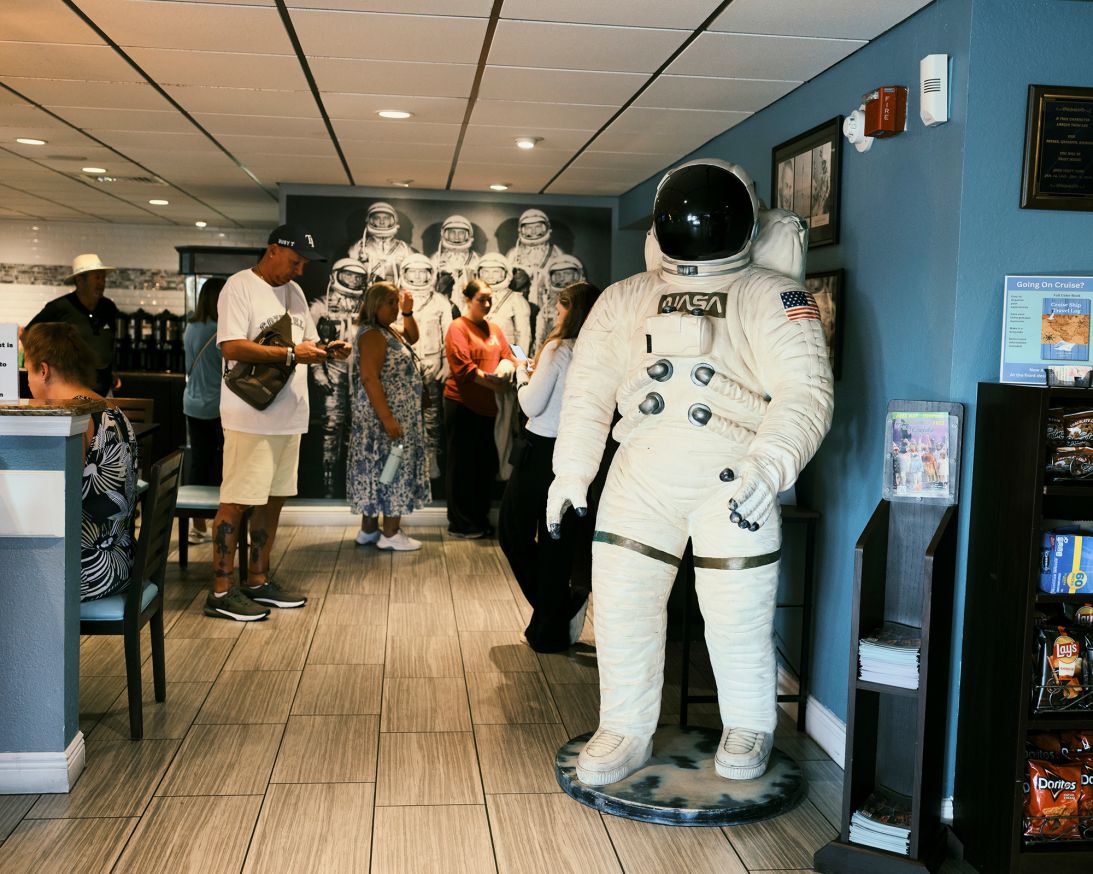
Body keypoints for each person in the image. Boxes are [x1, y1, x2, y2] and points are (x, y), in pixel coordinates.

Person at [547, 159, 833, 786]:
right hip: (640, 477)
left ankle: (750, 725)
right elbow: (588, 392)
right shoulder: (627, 298)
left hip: (734, 480)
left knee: (737, 616)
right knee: (623, 607)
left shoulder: (775, 296)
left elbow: (805, 393)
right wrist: (570, 472)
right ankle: (623, 726)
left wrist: (771, 464)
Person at [206, 224, 351, 622]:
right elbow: (231, 346)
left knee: (273, 501)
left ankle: (257, 580)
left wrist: (324, 351)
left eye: (303, 264)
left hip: (289, 415)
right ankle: (220, 590)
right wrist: (292, 355)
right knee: (236, 501)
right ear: (273, 251)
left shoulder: (294, 292)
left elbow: (298, 347)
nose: (300, 270)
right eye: (295, 261)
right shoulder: (239, 287)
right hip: (249, 415)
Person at [499, 281, 601, 652]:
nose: (556, 315)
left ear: (569, 310)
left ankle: (555, 611)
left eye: (560, 310)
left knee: (512, 532)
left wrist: (523, 373)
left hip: (541, 450)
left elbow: (531, 405)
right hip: (579, 451)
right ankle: (549, 627)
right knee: (557, 540)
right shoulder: (601, 352)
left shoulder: (557, 349)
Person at [23, 323, 139, 601]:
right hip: (122, 559)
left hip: (90, 571)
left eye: (27, 371)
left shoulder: (72, 418)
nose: (27, 382)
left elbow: (53, 496)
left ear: (43, 370)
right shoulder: (111, 409)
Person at [347, 282, 430, 551]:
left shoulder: (386, 330)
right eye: (391, 303)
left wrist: (407, 313)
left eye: (397, 302)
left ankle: (369, 530)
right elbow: (370, 378)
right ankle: (391, 534)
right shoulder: (372, 334)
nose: (395, 308)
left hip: (388, 417)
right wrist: (388, 419)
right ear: (376, 304)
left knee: (378, 470)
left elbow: (413, 337)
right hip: (385, 419)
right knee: (392, 470)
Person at [443, 278, 516, 538]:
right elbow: (463, 368)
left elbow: (509, 354)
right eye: (481, 299)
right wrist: (495, 385)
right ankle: (461, 522)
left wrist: (509, 367)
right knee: (462, 465)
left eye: (489, 299)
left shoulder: (494, 329)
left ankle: (480, 518)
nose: (486, 304)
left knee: (484, 466)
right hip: (462, 405)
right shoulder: (457, 327)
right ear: (468, 300)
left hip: (489, 409)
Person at [309, 258, 369, 498]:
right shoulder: (320, 306)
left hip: (361, 373)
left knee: (358, 428)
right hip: (333, 370)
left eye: (358, 277)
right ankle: (328, 483)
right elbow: (309, 342)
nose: (353, 281)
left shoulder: (367, 308)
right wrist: (317, 371)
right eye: (348, 276)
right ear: (336, 276)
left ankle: (353, 482)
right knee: (331, 426)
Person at [26, 253, 120, 396]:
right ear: (80, 280)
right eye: (97, 277)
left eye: (103, 277)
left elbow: (109, 343)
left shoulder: (109, 307)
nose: (102, 283)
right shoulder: (59, 307)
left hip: (105, 387)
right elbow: (29, 333)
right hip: (72, 389)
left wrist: (112, 370)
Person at [398, 253, 452, 479]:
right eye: (413, 272)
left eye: (423, 272)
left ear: (431, 275)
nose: (418, 277)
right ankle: (401, 462)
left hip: (431, 363)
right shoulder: (396, 297)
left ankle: (430, 461)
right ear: (405, 274)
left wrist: (447, 361)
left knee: (431, 415)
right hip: (402, 363)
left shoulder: (440, 301)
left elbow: (448, 333)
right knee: (402, 413)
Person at [183, 277, 226, 544]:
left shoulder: (190, 328)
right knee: (225, 463)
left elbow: (189, 366)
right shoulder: (223, 330)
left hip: (192, 402)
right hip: (219, 404)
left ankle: (196, 526)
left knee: (199, 461)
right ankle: (223, 522)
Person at [348, 201, 415, 286]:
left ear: (393, 220)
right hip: (367, 295)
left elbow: (413, 276)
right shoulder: (359, 247)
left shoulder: (404, 248)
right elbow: (350, 273)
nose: (381, 222)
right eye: (377, 218)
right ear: (370, 220)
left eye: (386, 218)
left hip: (395, 294)